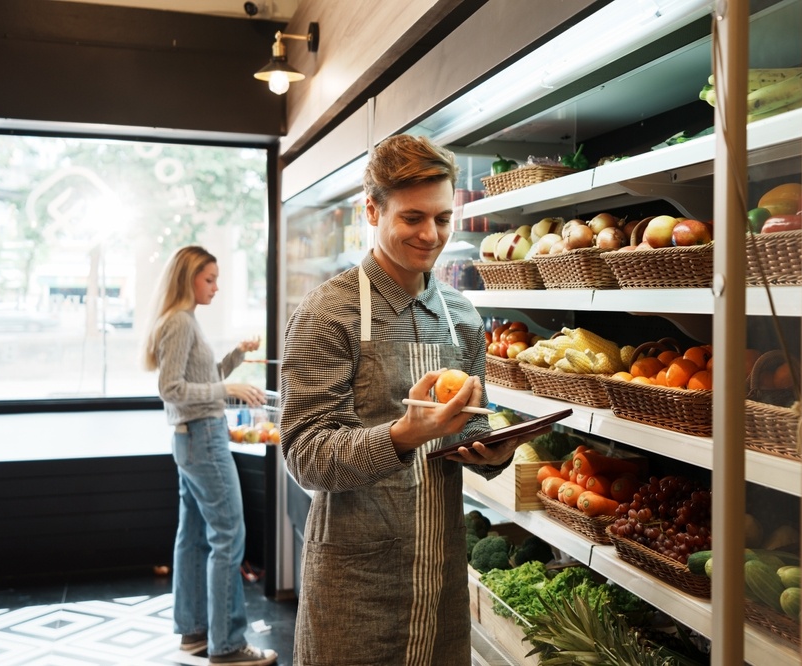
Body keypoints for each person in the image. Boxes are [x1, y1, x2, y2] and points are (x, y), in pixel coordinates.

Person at [281, 134, 535, 665]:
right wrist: (402, 436)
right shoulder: (328, 313)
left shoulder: (462, 318)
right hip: (356, 581)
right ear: (372, 209)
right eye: (413, 218)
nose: (431, 235)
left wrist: (492, 451)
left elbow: (465, 429)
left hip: (440, 573)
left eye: (443, 219)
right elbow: (305, 453)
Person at [142, 245, 278, 666]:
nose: (217, 287)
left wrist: (235, 359)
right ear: (188, 278)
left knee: (194, 536)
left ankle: (195, 632)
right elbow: (172, 390)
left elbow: (201, 378)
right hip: (203, 437)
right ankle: (229, 645)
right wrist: (228, 391)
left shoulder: (181, 321)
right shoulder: (181, 323)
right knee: (228, 538)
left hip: (190, 438)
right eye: (210, 279)